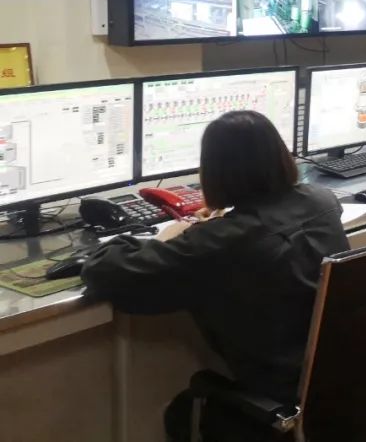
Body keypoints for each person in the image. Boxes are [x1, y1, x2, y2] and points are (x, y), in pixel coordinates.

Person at [81, 111, 349, 442]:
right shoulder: (322, 201)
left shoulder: (219, 242)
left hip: (281, 403)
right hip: (340, 383)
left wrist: (174, 234)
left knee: (179, 412)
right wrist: (218, 224)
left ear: (215, 172)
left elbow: (105, 270)